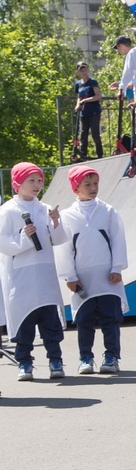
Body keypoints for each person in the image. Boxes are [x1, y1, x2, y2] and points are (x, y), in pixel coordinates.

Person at [54, 165, 128, 374]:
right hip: (83, 279)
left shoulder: (108, 211)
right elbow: (64, 247)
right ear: (75, 189)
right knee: (84, 320)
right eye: (87, 184)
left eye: (95, 183)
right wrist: (69, 275)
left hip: (107, 278)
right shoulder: (67, 216)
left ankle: (112, 356)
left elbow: (117, 240)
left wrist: (117, 267)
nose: (93, 188)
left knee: (110, 319)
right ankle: (85, 358)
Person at [0, 163, 69, 381]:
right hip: (21, 278)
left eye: (39, 180)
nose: (37, 185)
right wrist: (24, 238)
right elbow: (4, 243)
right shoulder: (8, 211)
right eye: (31, 180)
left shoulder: (44, 209)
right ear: (17, 183)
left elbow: (58, 240)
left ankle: (55, 360)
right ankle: (25, 362)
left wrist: (56, 221)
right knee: (25, 322)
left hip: (45, 274)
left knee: (50, 321)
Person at [74, 61, 103, 160]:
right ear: (78, 72)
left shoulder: (92, 82)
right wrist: (78, 105)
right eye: (81, 70)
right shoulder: (78, 84)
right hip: (84, 113)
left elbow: (98, 96)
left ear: (88, 70)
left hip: (94, 111)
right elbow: (79, 97)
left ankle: (100, 155)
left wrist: (86, 100)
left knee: (95, 133)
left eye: (85, 69)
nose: (84, 72)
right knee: (83, 134)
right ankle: (83, 155)